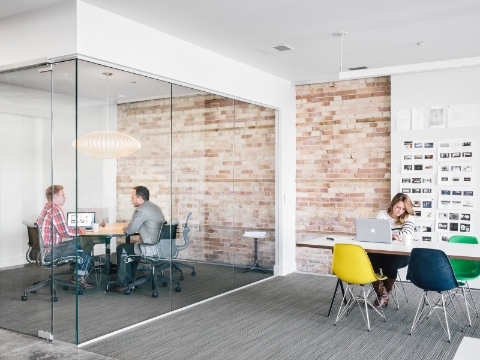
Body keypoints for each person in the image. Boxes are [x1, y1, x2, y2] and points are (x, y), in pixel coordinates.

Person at [36, 185, 94, 289]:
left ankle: (78, 272)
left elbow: (62, 229)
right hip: (50, 252)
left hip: (43, 250)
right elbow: (65, 233)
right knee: (86, 241)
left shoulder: (47, 208)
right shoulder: (55, 210)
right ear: (55, 197)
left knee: (78, 241)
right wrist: (81, 230)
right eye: (63, 195)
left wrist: (75, 230)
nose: (65, 197)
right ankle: (79, 276)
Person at [109, 186, 165, 292]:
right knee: (132, 247)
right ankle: (130, 280)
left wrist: (126, 227)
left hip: (150, 247)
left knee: (122, 248)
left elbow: (129, 231)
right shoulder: (155, 207)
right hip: (160, 245)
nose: (131, 200)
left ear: (140, 199)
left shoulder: (141, 210)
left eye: (132, 197)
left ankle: (124, 283)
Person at [368, 193, 415, 308]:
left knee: (389, 265)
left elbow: (406, 234)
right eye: (398, 207)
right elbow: (374, 233)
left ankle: (383, 295)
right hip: (382, 251)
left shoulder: (409, 217)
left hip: (401, 253)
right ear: (393, 204)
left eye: (403, 209)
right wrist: (391, 235)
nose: (400, 211)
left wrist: (390, 235)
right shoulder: (382, 214)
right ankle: (383, 295)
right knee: (369, 259)